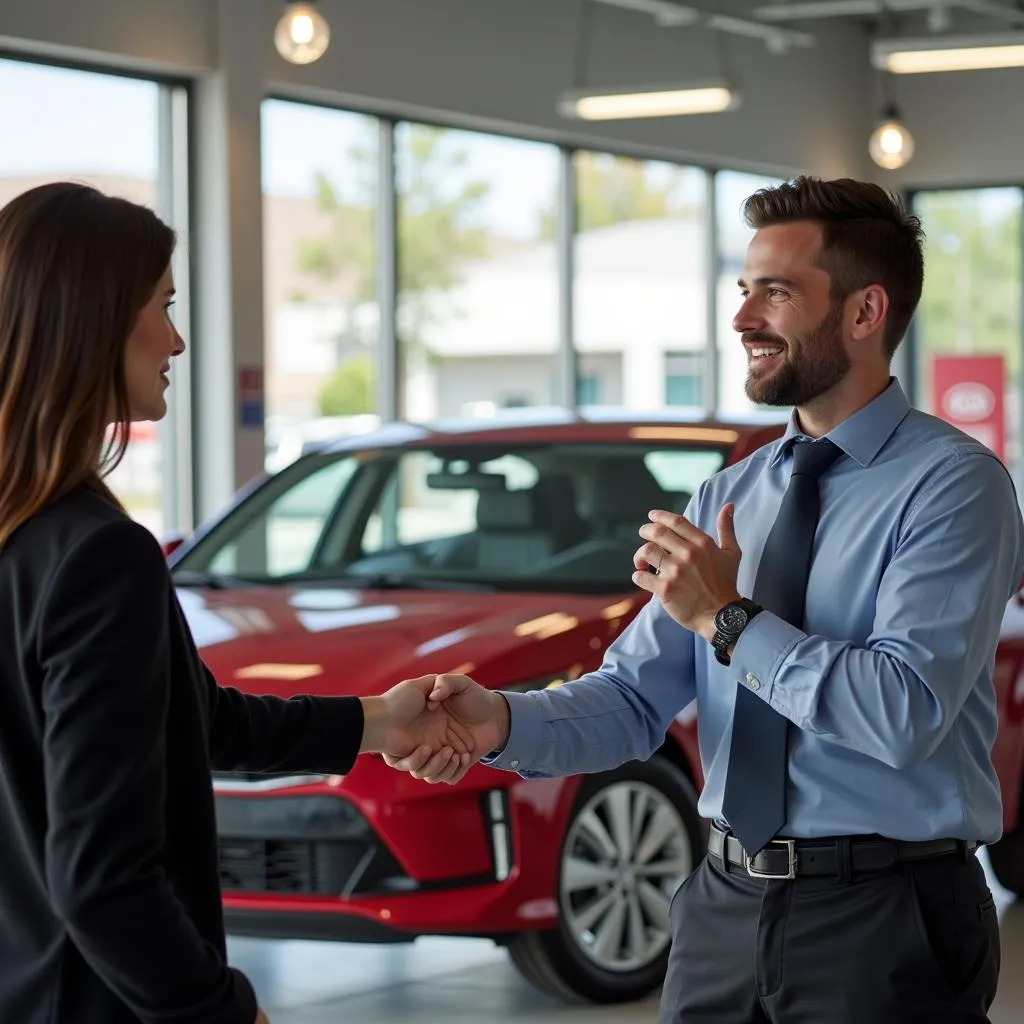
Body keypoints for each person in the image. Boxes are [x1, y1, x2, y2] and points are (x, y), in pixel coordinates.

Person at [386, 176, 1024, 1023]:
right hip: (723, 904)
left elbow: (904, 713)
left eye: (777, 291)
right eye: (743, 290)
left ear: (866, 312)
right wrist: (496, 722)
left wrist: (730, 621)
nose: (742, 319)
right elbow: (628, 701)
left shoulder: (955, 488)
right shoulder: (732, 493)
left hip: (885, 919)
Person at [0, 182, 472, 1024]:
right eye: (163, 307)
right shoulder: (97, 556)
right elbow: (103, 880)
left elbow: (191, 721)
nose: (176, 340)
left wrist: (376, 722)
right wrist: (219, 1010)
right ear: (93, 319)